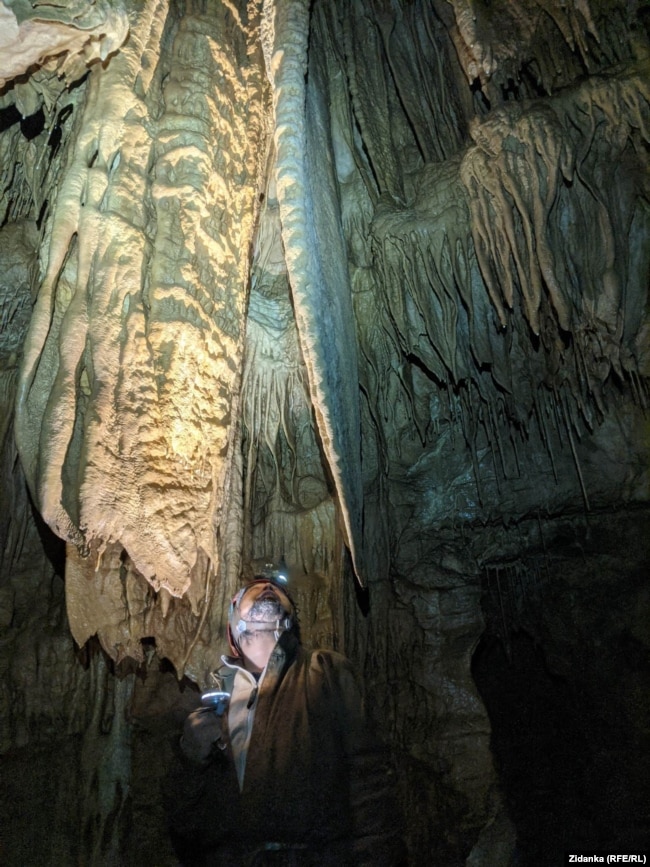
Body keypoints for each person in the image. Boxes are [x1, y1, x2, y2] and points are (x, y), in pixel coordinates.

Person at [164, 566, 405, 866]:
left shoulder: (324, 671)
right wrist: (190, 757)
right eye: (254, 590)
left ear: (290, 621)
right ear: (233, 623)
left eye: (277, 590)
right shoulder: (213, 702)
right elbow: (185, 824)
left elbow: (369, 779)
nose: (268, 589)